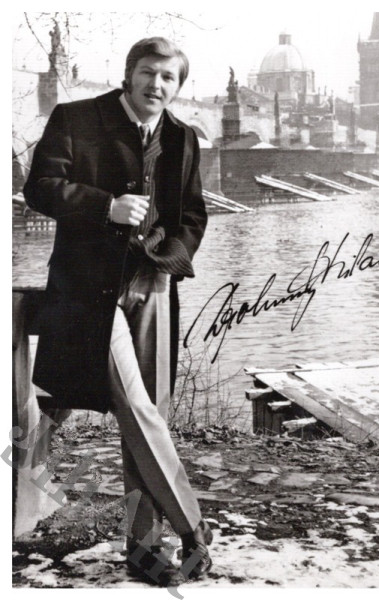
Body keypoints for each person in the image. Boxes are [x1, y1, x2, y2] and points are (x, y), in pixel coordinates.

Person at [23, 36, 212, 586]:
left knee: (147, 412)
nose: (157, 84)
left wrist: (171, 259)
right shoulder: (77, 118)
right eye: (148, 72)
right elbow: (40, 188)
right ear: (129, 75)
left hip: (153, 284)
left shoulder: (181, 136)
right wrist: (104, 205)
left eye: (169, 77)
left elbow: (193, 215)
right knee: (136, 406)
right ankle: (192, 527)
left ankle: (144, 549)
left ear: (178, 86)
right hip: (90, 288)